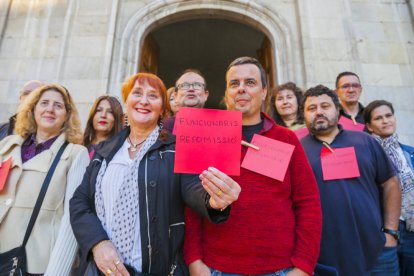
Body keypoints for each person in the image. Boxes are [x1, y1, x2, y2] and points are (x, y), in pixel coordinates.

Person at [70, 72, 241, 276]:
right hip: (100, 269)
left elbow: (192, 187)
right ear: (127, 101)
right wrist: (97, 243)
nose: (144, 100)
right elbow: (79, 202)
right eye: (137, 93)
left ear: (162, 108)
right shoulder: (104, 150)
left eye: (153, 95)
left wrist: (214, 200)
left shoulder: (175, 148)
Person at [184, 57, 322, 276]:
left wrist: (304, 266)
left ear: (265, 91)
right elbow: (192, 202)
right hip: (216, 267)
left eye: (250, 82)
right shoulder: (207, 136)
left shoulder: (286, 138)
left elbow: (308, 203)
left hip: (280, 269)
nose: (241, 89)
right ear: (227, 92)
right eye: (234, 84)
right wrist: (194, 261)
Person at [300, 85, 402, 275]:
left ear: (338, 110)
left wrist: (390, 232)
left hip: (378, 252)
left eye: (325, 106)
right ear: (304, 115)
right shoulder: (297, 150)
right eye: (311, 108)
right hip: (323, 258)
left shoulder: (365, 141)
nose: (319, 112)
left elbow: (391, 183)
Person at [0, 83, 89, 275]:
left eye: (58, 105)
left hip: (34, 264)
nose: (50, 109)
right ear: (33, 109)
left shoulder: (76, 154)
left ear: (67, 115)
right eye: (44, 103)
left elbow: (71, 219)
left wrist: (57, 271)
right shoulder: (7, 146)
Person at [364, 100, 414, 276]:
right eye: (378, 118)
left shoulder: (410, 152)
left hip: (411, 228)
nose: (385, 121)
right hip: (383, 229)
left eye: (388, 115)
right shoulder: (365, 155)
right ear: (369, 126)